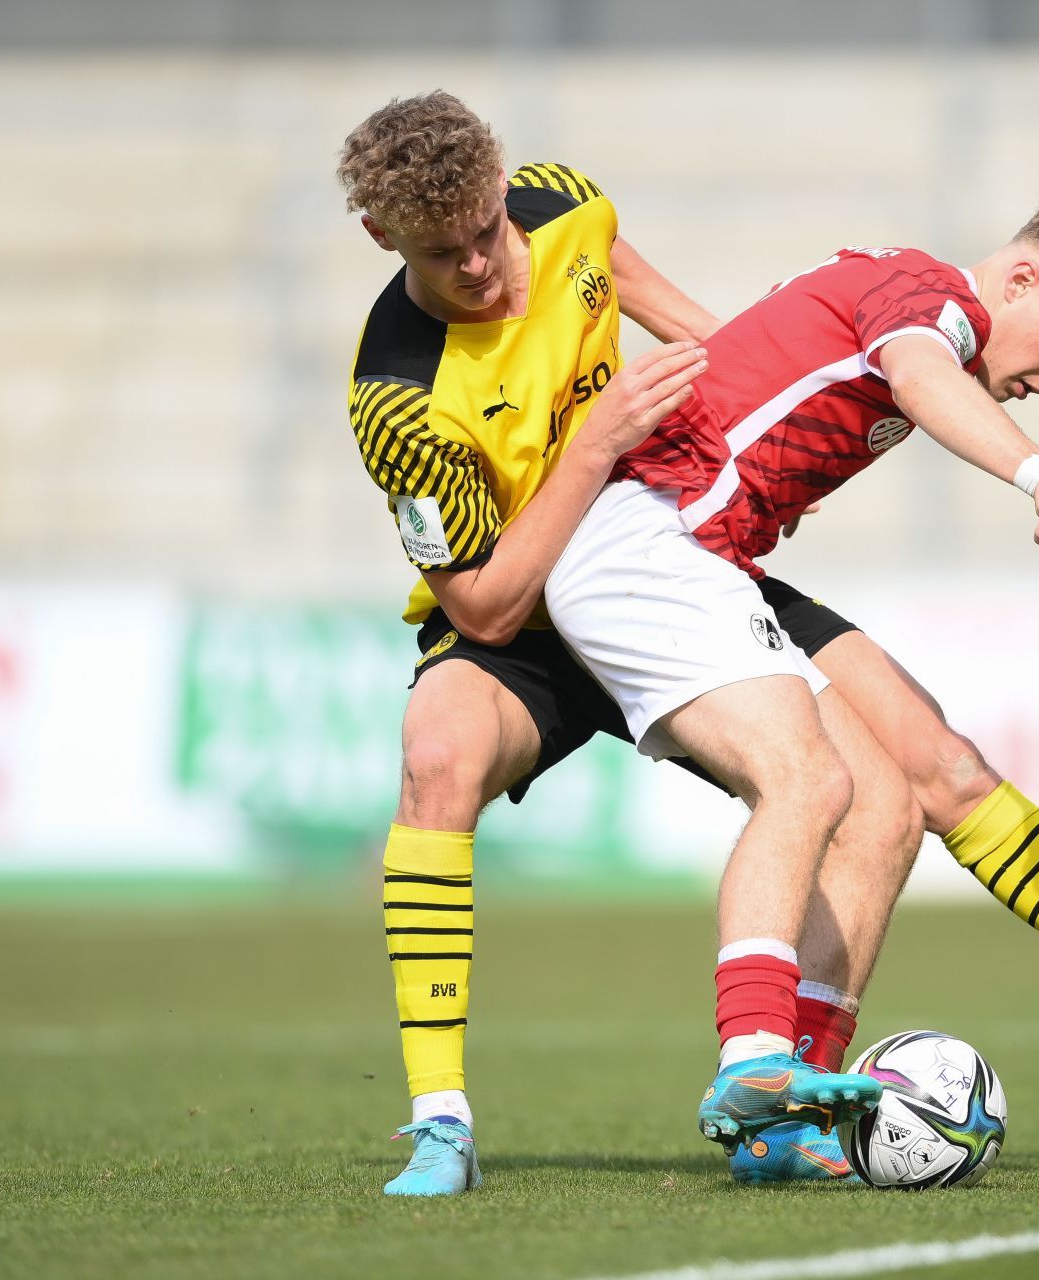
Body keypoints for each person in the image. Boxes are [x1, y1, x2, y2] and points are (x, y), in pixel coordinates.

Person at [539, 191, 1039, 1180]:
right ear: (1023, 279)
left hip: (705, 552)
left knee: (928, 782)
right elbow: (918, 375)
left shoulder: (895, 293)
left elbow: (760, 349)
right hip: (647, 542)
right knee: (817, 783)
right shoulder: (931, 301)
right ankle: (754, 1063)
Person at [337, 92, 909, 1197]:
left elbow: (697, 332)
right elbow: (488, 607)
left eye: (488, 231)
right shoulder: (397, 398)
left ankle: (784, 1107)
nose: (481, 266)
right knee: (436, 755)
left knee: (878, 798)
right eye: (442, 252)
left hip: (655, 563)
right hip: (526, 619)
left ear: (507, 186)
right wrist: (597, 444)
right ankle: (441, 1122)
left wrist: (766, 449)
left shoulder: (564, 203)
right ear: (382, 239)